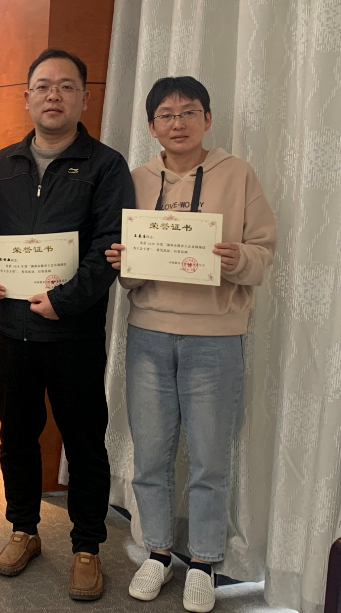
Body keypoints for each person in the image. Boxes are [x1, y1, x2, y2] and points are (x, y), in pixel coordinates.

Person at [105, 76, 276, 613]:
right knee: (150, 454)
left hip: (216, 338)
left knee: (209, 460)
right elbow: (126, 267)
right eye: (166, 115)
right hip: (148, 332)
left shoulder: (238, 174)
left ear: (207, 119)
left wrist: (238, 259)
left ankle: (203, 563)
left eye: (188, 112)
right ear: (151, 125)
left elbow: (264, 254)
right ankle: (157, 552)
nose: (177, 123)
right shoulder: (135, 180)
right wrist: (124, 264)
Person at [0, 48, 135, 602]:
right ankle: (23, 529)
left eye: (66, 87)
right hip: (12, 329)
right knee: (16, 435)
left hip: (74, 332)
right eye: (43, 86)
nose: (53, 96)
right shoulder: (2, 165)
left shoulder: (106, 166)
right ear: (27, 97)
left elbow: (111, 246)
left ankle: (87, 546)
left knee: (85, 441)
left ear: (84, 99)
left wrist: (65, 301)